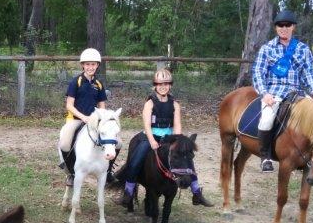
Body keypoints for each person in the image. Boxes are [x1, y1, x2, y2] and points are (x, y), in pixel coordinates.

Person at [122, 68, 213, 206]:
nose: (163, 87)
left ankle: (196, 192)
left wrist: (178, 140)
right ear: (155, 86)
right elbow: (146, 124)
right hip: (151, 136)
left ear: (170, 85)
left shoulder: (175, 104)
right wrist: (152, 141)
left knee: (187, 159)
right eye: (160, 84)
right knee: (135, 161)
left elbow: (177, 125)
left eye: (166, 84)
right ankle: (128, 192)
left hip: (169, 137)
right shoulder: (150, 103)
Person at [252, 9, 313, 172]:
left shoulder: (303, 49)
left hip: (297, 92)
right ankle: (265, 157)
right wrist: (265, 93)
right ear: (276, 28)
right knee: (267, 119)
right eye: (280, 25)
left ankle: (311, 156)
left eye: (287, 25)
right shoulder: (267, 48)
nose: (284, 28)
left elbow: (309, 72)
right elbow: (258, 72)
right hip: (274, 93)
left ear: (293, 27)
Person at [58, 48, 110, 187]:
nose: (90, 67)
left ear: (97, 65)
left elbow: (102, 106)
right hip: (75, 119)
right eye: (87, 64)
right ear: (82, 65)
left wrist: (101, 119)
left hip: (93, 121)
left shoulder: (98, 84)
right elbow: (69, 105)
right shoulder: (76, 82)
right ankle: (70, 174)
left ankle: (108, 171)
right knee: (64, 144)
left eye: (93, 64)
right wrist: (84, 118)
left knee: (116, 142)